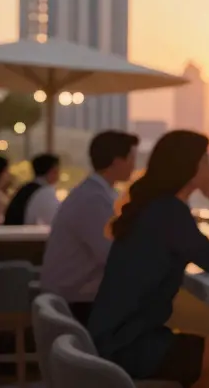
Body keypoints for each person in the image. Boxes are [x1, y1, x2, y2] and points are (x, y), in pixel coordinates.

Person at [89, 131, 209, 388]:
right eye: (206, 160)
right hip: (127, 346)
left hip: (111, 337)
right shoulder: (169, 211)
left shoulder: (154, 207)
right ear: (188, 166)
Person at [40, 131, 139, 326]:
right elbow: (112, 256)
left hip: (74, 298)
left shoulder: (96, 193)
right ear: (117, 161)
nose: (134, 166)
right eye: (131, 159)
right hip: (76, 304)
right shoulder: (94, 199)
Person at [3, 153, 61, 225]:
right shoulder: (45, 192)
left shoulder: (26, 189)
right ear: (52, 171)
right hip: (24, 232)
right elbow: (56, 220)